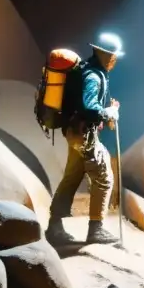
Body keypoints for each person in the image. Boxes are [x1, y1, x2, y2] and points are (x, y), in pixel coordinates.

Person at [45, 33, 123, 247]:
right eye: (113, 56)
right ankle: (96, 230)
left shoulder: (86, 70)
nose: (115, 60)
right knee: (104, 178)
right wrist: (108, 112)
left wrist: (107, 111)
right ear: (104, 54)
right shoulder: (93, 77)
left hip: (73, 132)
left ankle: (54, 227)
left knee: (71, 177)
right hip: (83, 134)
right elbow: (89, 107)